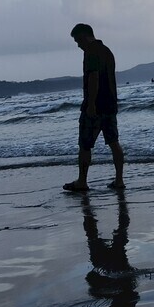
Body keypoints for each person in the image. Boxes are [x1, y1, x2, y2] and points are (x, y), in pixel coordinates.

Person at [64, 23, 125, 191]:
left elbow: (93, 78)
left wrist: (91, 104)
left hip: (95, 107)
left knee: (85, 145)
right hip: (110, 105)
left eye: (77, 41)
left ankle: (82, 182)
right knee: (114, 142)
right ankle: (119, 180)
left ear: (84, 36)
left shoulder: (90, 51)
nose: (78, 45)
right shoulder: (107, 51)